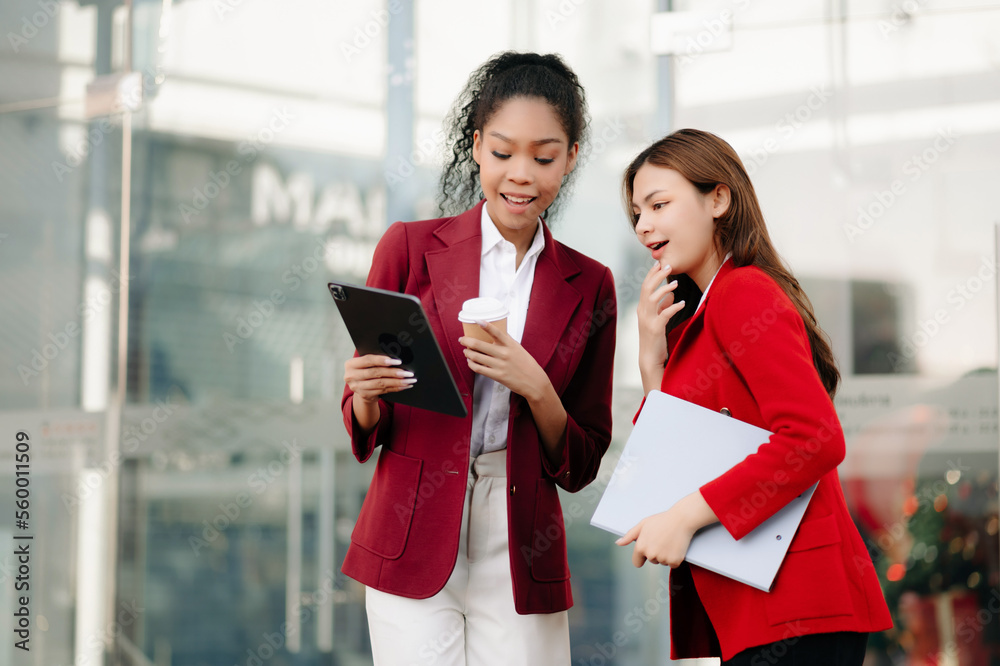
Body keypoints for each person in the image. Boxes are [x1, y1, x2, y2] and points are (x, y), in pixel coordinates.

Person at [340, 51, 616, 665]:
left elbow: (583, 460)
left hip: (519, 538)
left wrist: (538, 389)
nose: (521, 174)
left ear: (570, 158)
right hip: (411, 527)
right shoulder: (409, 249)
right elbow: (365, 429)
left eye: (544, 157)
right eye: (502, 152)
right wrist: (362, 395)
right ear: (475, 147)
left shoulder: (590, 284)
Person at [616, 128, 892, 665]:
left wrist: (687, 516)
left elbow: (813, 439)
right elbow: (678, 457)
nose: (644, 225)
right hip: (762, 606)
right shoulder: (705, 311)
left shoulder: (742, 292)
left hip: (797, 605)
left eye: (659, 204)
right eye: (636, 213)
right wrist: (652, 359)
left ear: (718, 198)